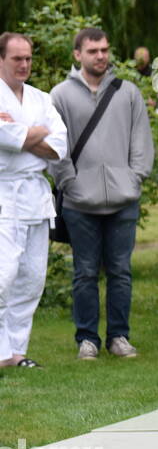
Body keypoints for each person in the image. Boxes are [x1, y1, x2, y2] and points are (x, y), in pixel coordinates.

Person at [50, 28, 155, 360]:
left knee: (121, 271)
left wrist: (134, 178)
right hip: (80, 202)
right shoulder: (60, 95)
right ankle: (87, 339)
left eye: (105, 50)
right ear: (77, 55)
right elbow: (56, 148)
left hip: (124, 200)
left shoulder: (128, 93)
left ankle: (119, 337)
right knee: (84, 272)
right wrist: (69, 182)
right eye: (93, 50)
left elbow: (141, 142)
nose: (101, 56)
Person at [0, 33, 67, 369]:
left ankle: (16, 352)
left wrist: (24, 133)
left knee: (31, 278)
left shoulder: (40, 97)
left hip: (35, 197)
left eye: (28, 58)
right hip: (4, 193)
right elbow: (6, 137)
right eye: (17, 59)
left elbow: (60, 145)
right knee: (3, 276)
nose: (24, 65)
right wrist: (33, 132)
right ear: (1, 58)